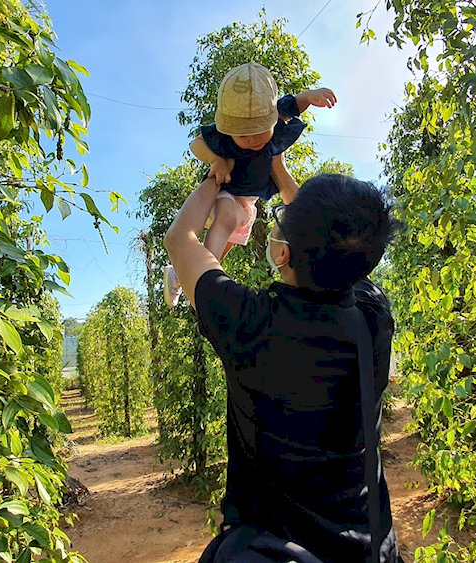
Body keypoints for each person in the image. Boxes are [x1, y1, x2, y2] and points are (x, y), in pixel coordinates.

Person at [163, 162, 404, 562]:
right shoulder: (373, 315)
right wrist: (276, 166)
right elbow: (340, 239)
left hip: (276, 546)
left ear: (283, 253)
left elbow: (179, 240)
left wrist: (215, 179)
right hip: (365, 546)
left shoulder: (251, 323)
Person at [164, 61, 337, 306]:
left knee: (232, 239)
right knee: (226, 219)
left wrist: (311, 96)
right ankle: (202, 279)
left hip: (248, 203)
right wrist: (216, 160)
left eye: (260, 130)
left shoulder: (277, 117)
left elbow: (295, 103)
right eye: (244, 135)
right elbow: (197, 144)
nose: (254, 139)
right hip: (227, 189)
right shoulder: (224, 136)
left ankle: (180, 273)